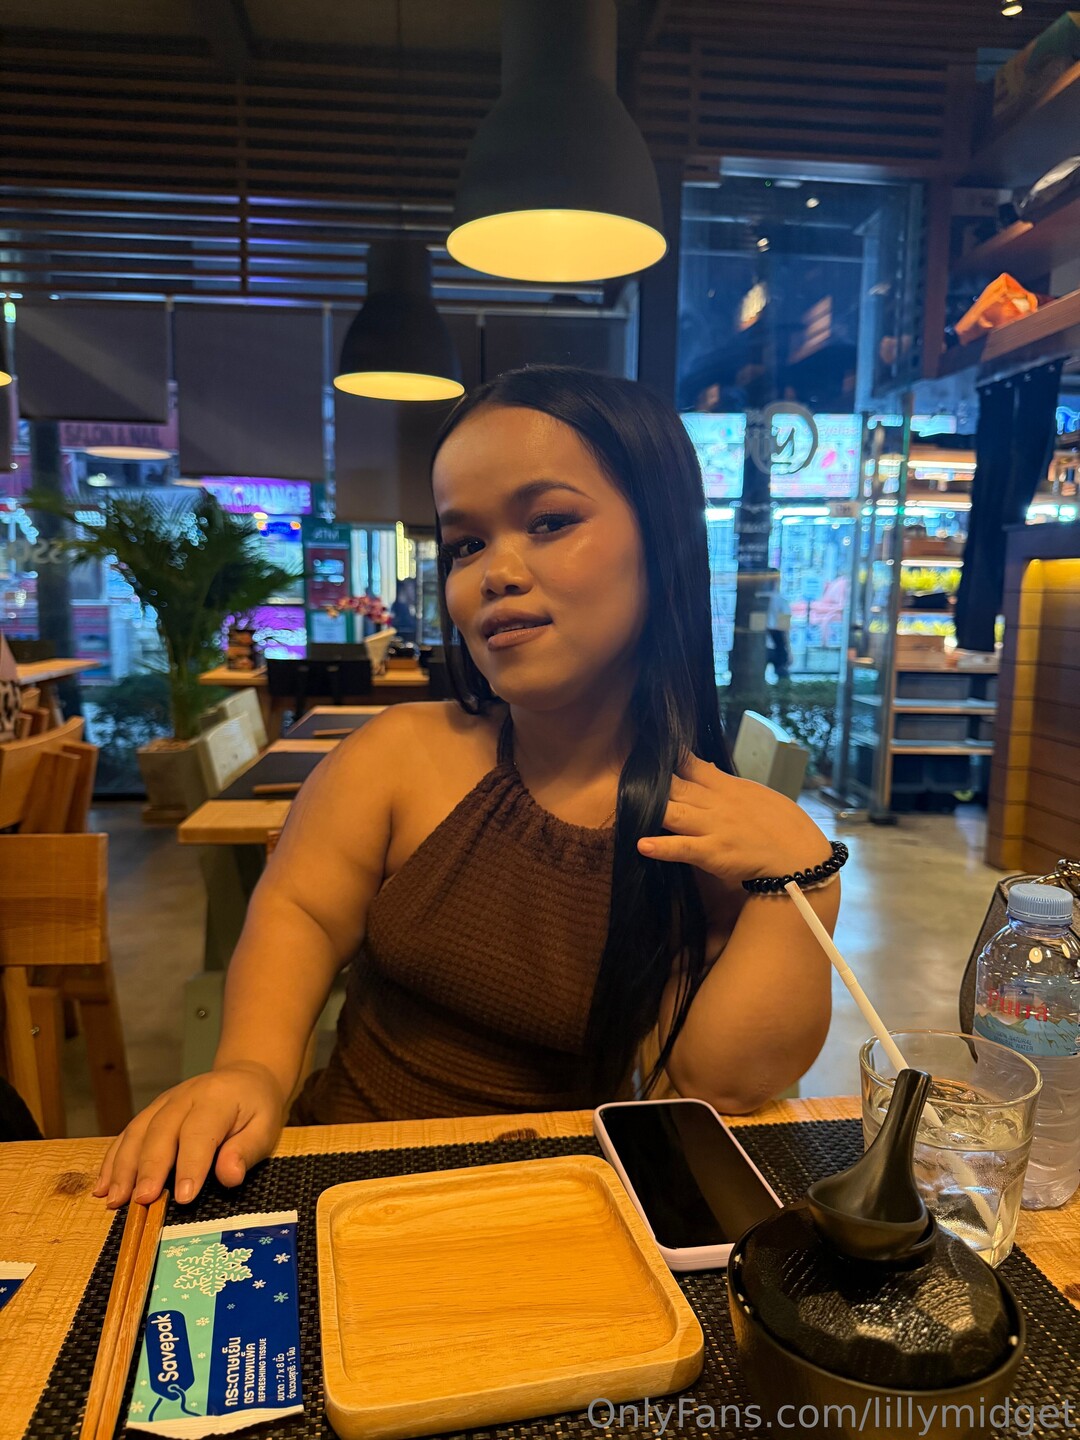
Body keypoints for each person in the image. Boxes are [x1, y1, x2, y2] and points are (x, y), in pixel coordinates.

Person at [96, 366, 838, 1210]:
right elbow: (300, 912)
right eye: (465, 545)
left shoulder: (701, 827)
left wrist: (806, 882)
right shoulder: (398, 753)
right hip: (342, 1185)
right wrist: (251, 1068)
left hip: (556, 1211)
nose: (496, 572)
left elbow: (718, 1087)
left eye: (550, 522)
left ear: (663, 542)